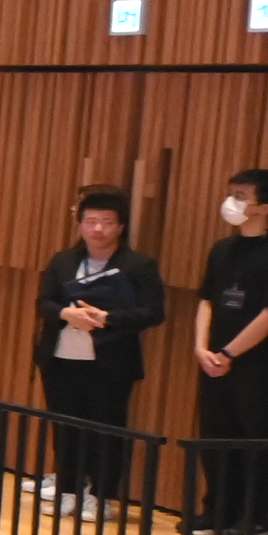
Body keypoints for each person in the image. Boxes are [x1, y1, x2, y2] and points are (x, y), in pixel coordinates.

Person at [32, 188, 166, 515]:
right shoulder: (64, 260)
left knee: (107, 429)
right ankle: (67, 490)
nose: (98, 229)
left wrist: (108, 318)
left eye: (107, 222)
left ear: (120, 227)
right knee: (65, 427)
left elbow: (154, 312)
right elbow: (44, 302)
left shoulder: (138, 265)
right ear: (80, 224)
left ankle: (102, 495)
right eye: (90, 221)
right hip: (61, 358)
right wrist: (67, 314)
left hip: (111, 361)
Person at [190, 169, 268, 535]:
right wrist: (202, 347)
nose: (232, 201)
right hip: (213, 360)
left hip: (255, 362)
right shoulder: (222, 249)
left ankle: (255, 517)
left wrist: (229, 353)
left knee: (256, 438)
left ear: (265, 207)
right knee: (214, 434)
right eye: (232, 193)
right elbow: (207, 300)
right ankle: (217, 511)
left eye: (241, 195)